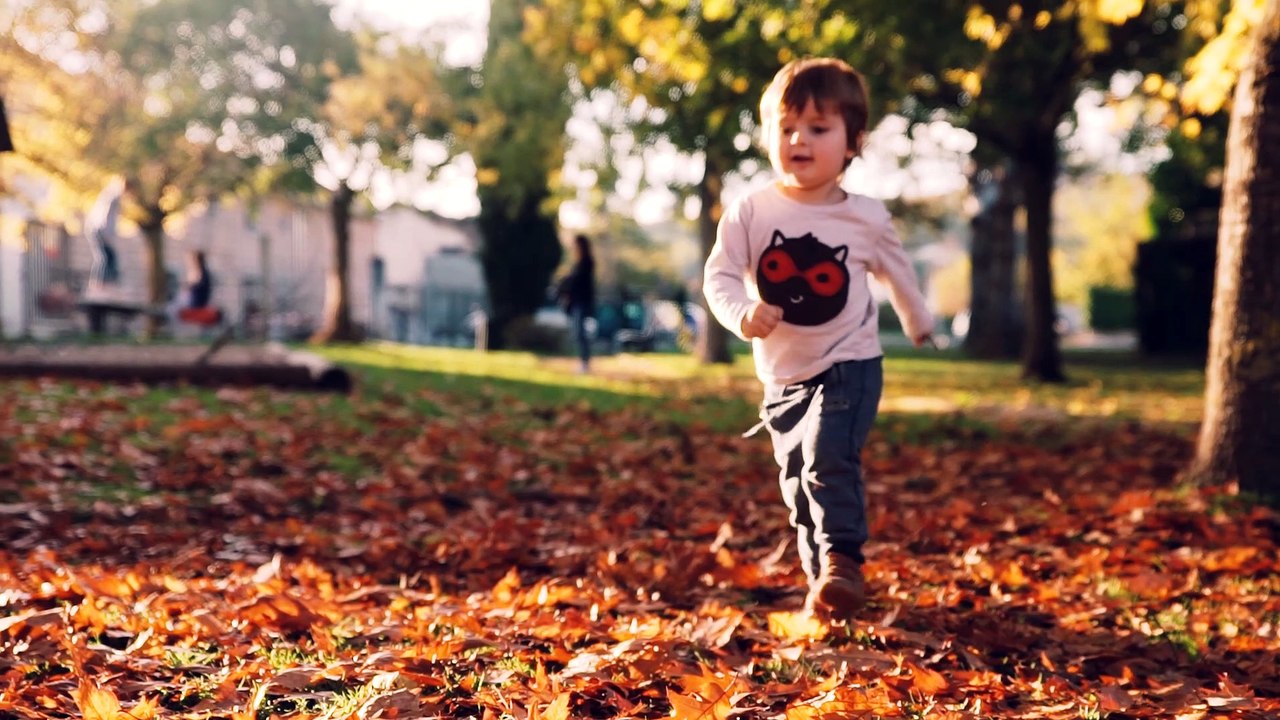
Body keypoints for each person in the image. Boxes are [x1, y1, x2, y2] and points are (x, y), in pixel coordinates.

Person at [703, 57, 934, 622]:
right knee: (798, 487)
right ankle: (825, 588)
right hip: (782, 376)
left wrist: (918, 319)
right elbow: (721, 275)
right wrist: (741, 312)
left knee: (828, 458)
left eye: (817, 128)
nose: (798, 139)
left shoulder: (866, 218)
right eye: (785, 128)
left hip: (849, 363)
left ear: (853, 142)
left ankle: (844, 561)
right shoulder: (752, 211)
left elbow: (898, 272)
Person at [557, 233, 597, 373]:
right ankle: (583, 361)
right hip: (576, 303)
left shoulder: (586, 263)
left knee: (580, 333)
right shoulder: (578, 264)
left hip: (582, 302)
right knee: (578, 333)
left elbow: (578, 283)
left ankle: (585, 363)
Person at [83, 176, 127, 292]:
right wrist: (107, 235)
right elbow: (106, 217)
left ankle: (108, 283)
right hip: (98, 229)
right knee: (103, 258)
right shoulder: (113, 197)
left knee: (110, 257)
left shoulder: (112, 195)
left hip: (99, 229)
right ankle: (98, 284)